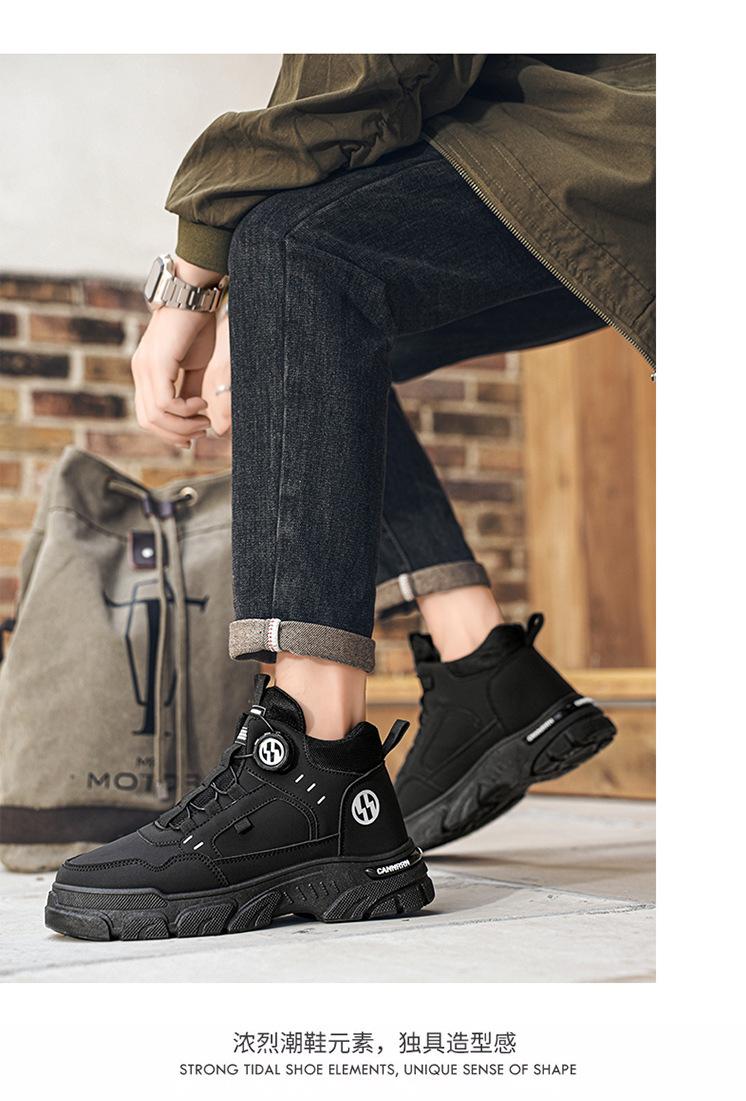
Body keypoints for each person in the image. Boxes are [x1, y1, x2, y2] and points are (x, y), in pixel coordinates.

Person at [44, 54, 654, 941]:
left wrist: (197, 272)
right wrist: (260, 318)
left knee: (295, 246)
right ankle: (479, 661)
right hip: (616, 138)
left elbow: (373, 59)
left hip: (627, 146)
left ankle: (314, 764)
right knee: (309, 324)